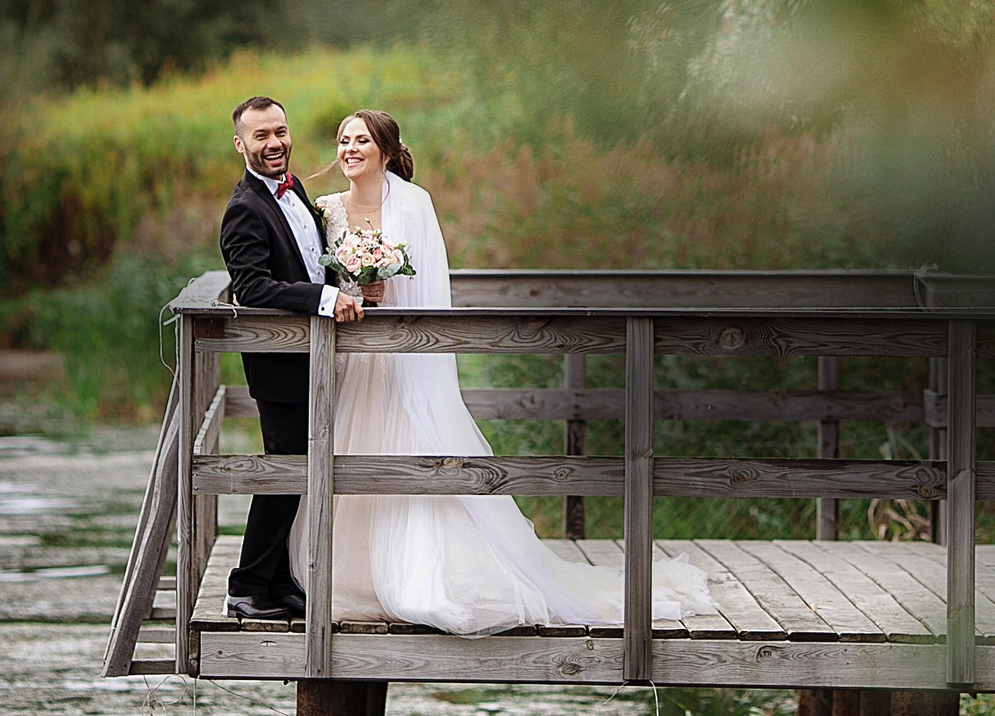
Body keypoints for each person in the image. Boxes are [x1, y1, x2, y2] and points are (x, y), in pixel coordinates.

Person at [294, 108, 714, 636]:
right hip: (352, 359)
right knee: (351, 458)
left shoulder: (414, 204)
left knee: (410, 453)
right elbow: (316, 279)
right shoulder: (326, 210)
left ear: (384, 149)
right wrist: (355, 293)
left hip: (399, 355)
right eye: (342, 140)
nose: (348, 149)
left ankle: (414, 576)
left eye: (360, 140)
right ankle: (350, 575)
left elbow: (427, 287)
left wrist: (385, 293)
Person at [217, 96, 363, 621]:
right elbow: (253, 285)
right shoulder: (243, 208)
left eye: (280, 131)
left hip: (312, 359)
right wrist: (325, 301)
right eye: (261, 136)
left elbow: (309, 263)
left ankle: (278, 582)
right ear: (241, 145)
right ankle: (246, 586)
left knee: (298, 471)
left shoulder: (294, 187)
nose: (275, 143)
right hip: (279, 366)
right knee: (284, 472)